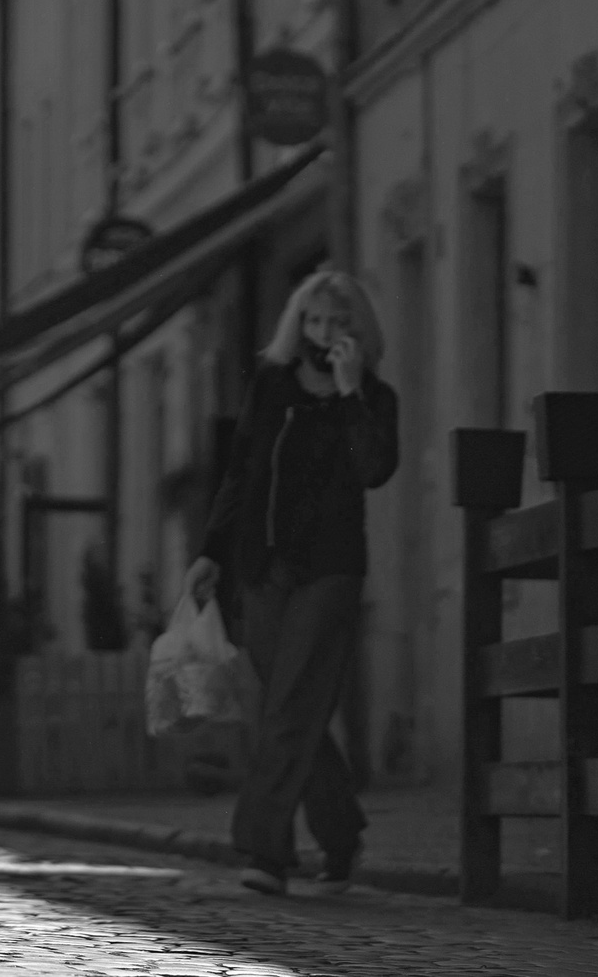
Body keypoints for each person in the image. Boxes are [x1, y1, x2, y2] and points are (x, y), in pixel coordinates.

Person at [185, 269, 400, 898]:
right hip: (263, 568)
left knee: (289, 705)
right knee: (290, 708)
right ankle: (340, 837)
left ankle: (265, 850)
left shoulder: (374, 398)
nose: (323, 332)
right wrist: (211, 553)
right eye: (313, 320)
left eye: (337, 322)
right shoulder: (273, 385)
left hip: (330, 569)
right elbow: (240, 473)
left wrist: (352, 392)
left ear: (356, 331)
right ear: (297, 323)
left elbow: (375, 470)